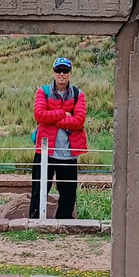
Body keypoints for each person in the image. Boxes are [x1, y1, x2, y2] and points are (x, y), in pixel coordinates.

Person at [30, 56, 87, 219]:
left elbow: (78, 121)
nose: (61, 74)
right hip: (45, 151)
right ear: (53, 72)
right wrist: (64, 113)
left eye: (65, 70)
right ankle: (34, 222)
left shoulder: (78, 94)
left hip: (68, 152)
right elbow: (39, 115)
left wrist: (52, 119)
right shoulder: (43, 91)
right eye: (58, 70)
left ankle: (65, 223)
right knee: (39, 189)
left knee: (68, 191)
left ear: (70, 72)